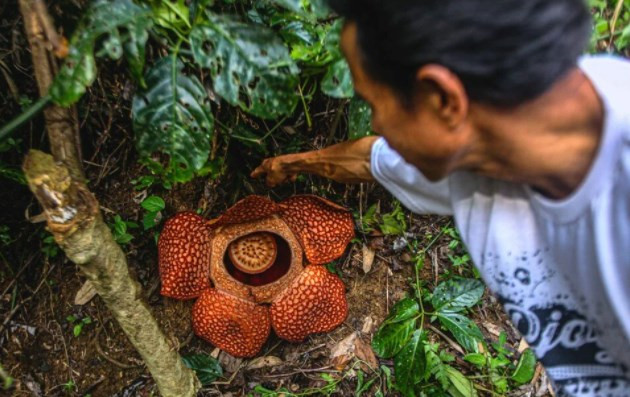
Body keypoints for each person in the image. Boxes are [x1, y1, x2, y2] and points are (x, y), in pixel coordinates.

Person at [251, 0, 630, 395]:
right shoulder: (491, 133)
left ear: (442, 99)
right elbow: (371, 159)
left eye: (374, 104)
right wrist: (291, 163)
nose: (377, 124)